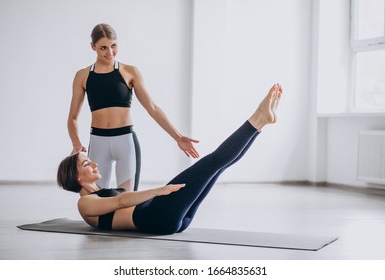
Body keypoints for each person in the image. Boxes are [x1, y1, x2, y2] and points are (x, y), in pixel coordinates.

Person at [58, 84, 283, 234]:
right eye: (87, 164)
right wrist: (158, 191)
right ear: (76, 177)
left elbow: (122, 201)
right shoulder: (85, 203)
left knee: (217, 168)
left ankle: (261, 123)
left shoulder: (98, 193)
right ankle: (257, 118)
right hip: (156, 216)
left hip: (169, 219)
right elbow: (121, 202)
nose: (95, 163)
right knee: (211, 162)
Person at [67, 23, 199, 192]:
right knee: (97, 199)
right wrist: (76, 143)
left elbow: (152, 108)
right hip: (98, 141)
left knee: (127, 200)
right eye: (103, 48)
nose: (110, 53)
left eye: (113, 46)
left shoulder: (129, 72)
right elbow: (72, 118)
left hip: (125, 141)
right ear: (93, 47)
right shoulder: (82, 76)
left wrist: (178, 137)